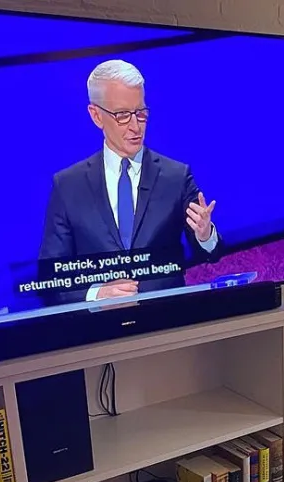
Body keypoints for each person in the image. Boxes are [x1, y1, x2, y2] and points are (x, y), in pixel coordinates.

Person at [38, 59, 219, 304]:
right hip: (99, 335)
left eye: (141, 113)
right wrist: (97, 294)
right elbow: (49, 277)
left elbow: (210, 253)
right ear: (96, 116)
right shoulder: (68, 186)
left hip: (166, 325)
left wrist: (205, 234)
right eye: (122, 115)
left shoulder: (176, 176)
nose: (136, 126)